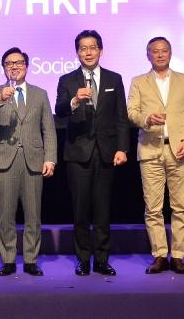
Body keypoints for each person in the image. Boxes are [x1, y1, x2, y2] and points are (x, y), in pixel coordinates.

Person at [55, 30, 129, 277]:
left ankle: (102, 259)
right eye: (83, 48)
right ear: (77, 52)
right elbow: (60, 110)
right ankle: (83, 259)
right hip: (78, 153)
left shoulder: (114, 78)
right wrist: (75, 100)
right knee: (80, 210)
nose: (88, 52)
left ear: (100, 50)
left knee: (103, 210)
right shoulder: (67, 80)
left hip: (107, 152)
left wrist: (122, 148)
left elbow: (121, 117)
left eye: (92, 47)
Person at [127, 37, 184, 275]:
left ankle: (178, 256)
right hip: (150, 149)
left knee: (181, 206)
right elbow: (132, 113)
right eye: (155, 52)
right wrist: (147, 119)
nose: (160, 55)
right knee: (153, 208)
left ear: (170, 53)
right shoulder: (138, 81)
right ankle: (159, 255)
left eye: (164, 51)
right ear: (148, 55)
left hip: (179, 149)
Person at [0, 47, 57, 277]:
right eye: (9, 63)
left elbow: (49, 129)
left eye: (19, 62)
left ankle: (31, 260)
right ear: (3, 68)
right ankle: (9, 260)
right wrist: (0, 99)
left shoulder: (40, 93)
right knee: (6, 214)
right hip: (5, 159)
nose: (14, 66)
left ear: (26, 66)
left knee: (33, 214)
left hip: (34, 160)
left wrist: (50, 158)